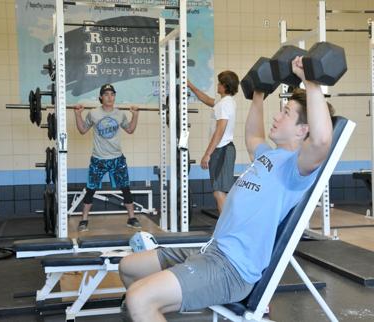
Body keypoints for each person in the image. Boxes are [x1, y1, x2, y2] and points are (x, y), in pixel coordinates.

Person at [118, 56, 334, 322]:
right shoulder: (269, 154)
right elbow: (253, 137)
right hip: (211, 250)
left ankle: (149, 305)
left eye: (286, 113)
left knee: (139, 298)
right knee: (129, 267)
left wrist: (310, 81)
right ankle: (151, 309)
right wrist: (258, 95)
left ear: (303, 130)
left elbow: (323, 140)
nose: (277, 117)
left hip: (232, 268)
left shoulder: (296, 170)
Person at [74, 83, 141, 232]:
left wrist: (135, 115)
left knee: (125, 188)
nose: (110, 97)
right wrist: (78, 114)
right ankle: (84, 220)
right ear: (100, 97)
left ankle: (131, 218)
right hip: (98, 158)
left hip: (117, 158)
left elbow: (130, 129)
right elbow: (82, 130)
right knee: (91, 189)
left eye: (112, 94)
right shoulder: (93, 113)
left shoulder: (120, 114)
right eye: (106, 94)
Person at [188, 70, 239, 214]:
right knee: (221, 191)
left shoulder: (224, 105)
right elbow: (206, 99)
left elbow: (220, 129)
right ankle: (228, 226)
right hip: (223, 149)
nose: (217, 85)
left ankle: (225, 229)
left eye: (219, 83)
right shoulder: (225, 103)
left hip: (222, 149)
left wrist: (207, 154)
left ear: (224, 86)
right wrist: (191, 86)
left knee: (219, 192)